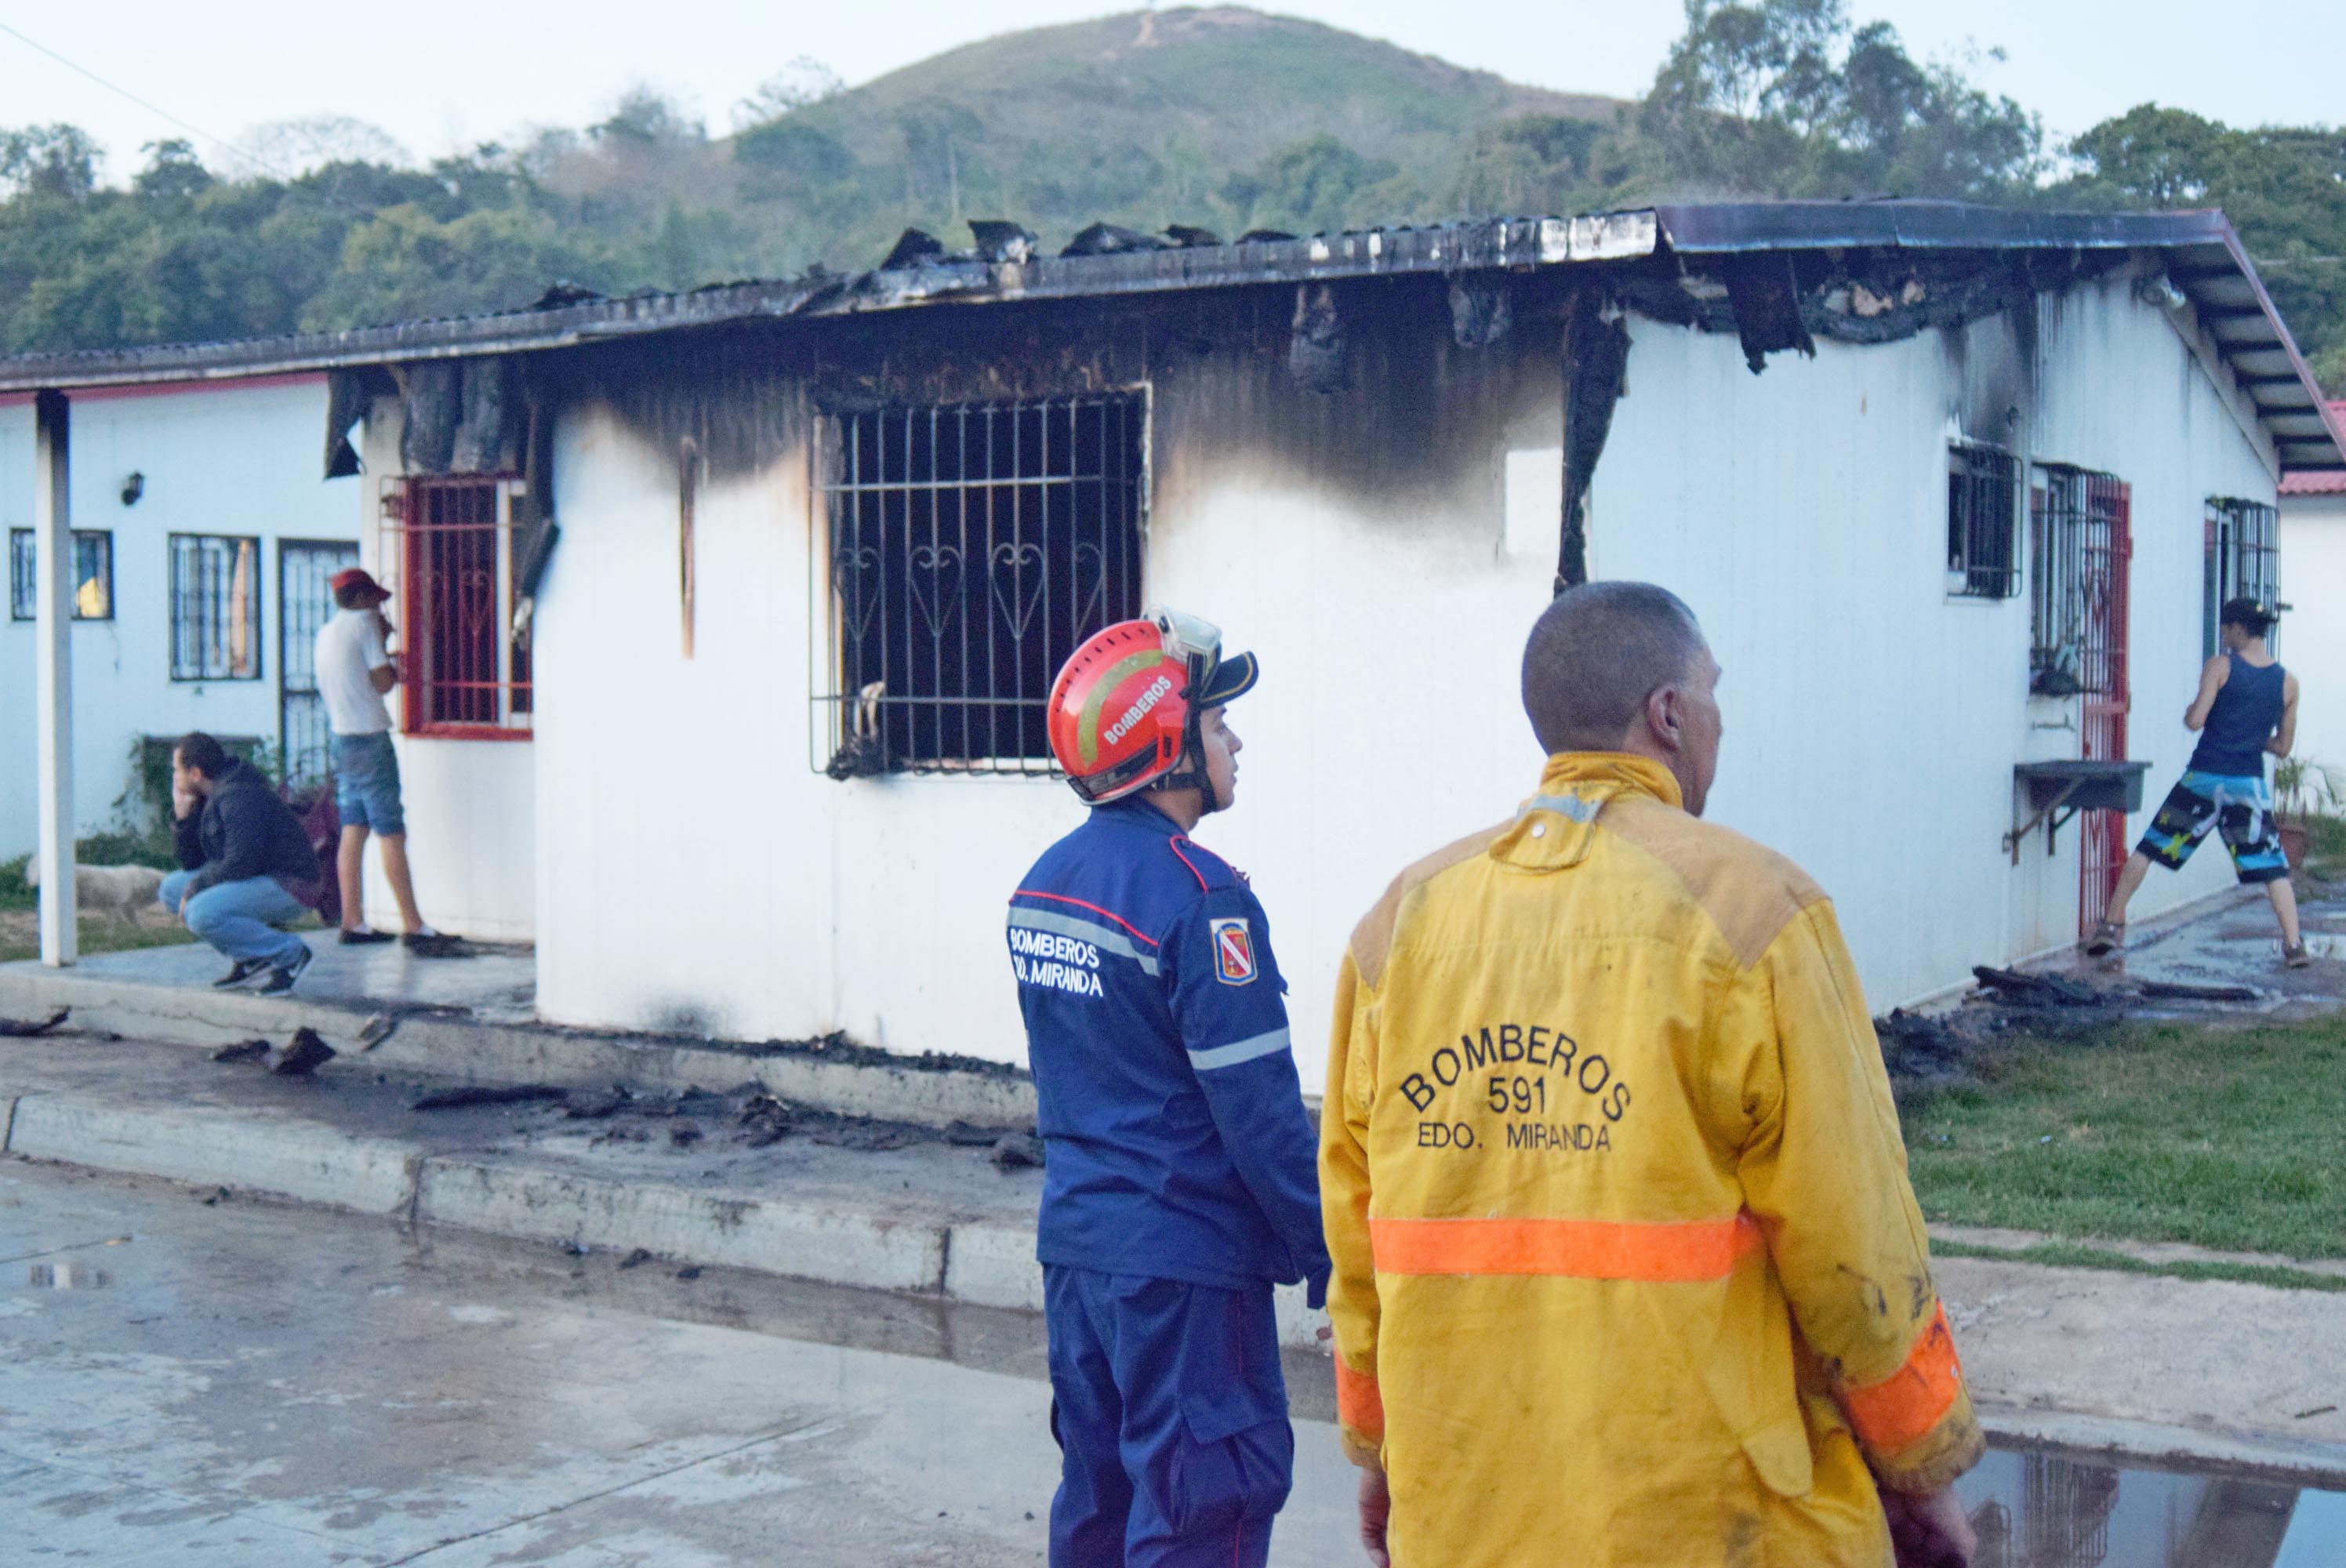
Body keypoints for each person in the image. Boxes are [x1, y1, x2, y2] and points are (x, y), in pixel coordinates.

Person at [1320, 583, 1983, 1568]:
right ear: (1668, 714)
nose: (1723, 717)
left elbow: (1359, 1236)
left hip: (1470, 1515)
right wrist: (1922, 1468)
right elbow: (1854, 1243)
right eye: (1712, 691)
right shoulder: (1757, 910)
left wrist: (1382, 1457)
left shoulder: (1400, 926)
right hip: (1710, 1522)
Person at [1008, 610, 1331, 1567]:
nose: (1236, 741)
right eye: (1220, 722)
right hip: (1183, 1270)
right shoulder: (1201, 897)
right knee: (1202, 1511)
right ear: (1168, 741)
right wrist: (1328, 1244)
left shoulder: (1044, 884)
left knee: (1100, 1506)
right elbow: (1259, 1111)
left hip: (1078, 1256)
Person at [2085, 597, 2307, 967]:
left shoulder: (2221, 666)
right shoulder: (2289, 684)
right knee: (2272, 866)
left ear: (2238, 627)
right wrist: (2253, 738)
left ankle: (2110, 925)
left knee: (2151, 847)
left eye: (2225, 627)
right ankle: (2295, 946)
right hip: (2247, 784)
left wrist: (2193, 710)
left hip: (2204, 777)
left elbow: (2195, 721)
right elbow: (2283, 747)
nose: (2222, 634)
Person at [314, 567, 439, 947]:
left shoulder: (325, 632)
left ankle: (353, 921)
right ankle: (414, 925)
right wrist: (389, 651)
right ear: (361, 598)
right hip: (369, 739)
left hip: (341, 738)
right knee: (390, 830)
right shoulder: (364, 624)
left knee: (354, 827)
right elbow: (383, 683)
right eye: (374, 598)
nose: (378, 606)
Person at [162, 732, 323, 995]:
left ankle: (290, 954)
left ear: (196, 773)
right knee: (170, 889)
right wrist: (183, 817)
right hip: (256, 875)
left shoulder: (238, 795)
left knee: (201, 912)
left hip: (291, 884)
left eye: (177, 770)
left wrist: (197, 887)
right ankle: (251, 959)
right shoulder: (211, 793)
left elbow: (241, 861)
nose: (175, 778)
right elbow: (193, 862)